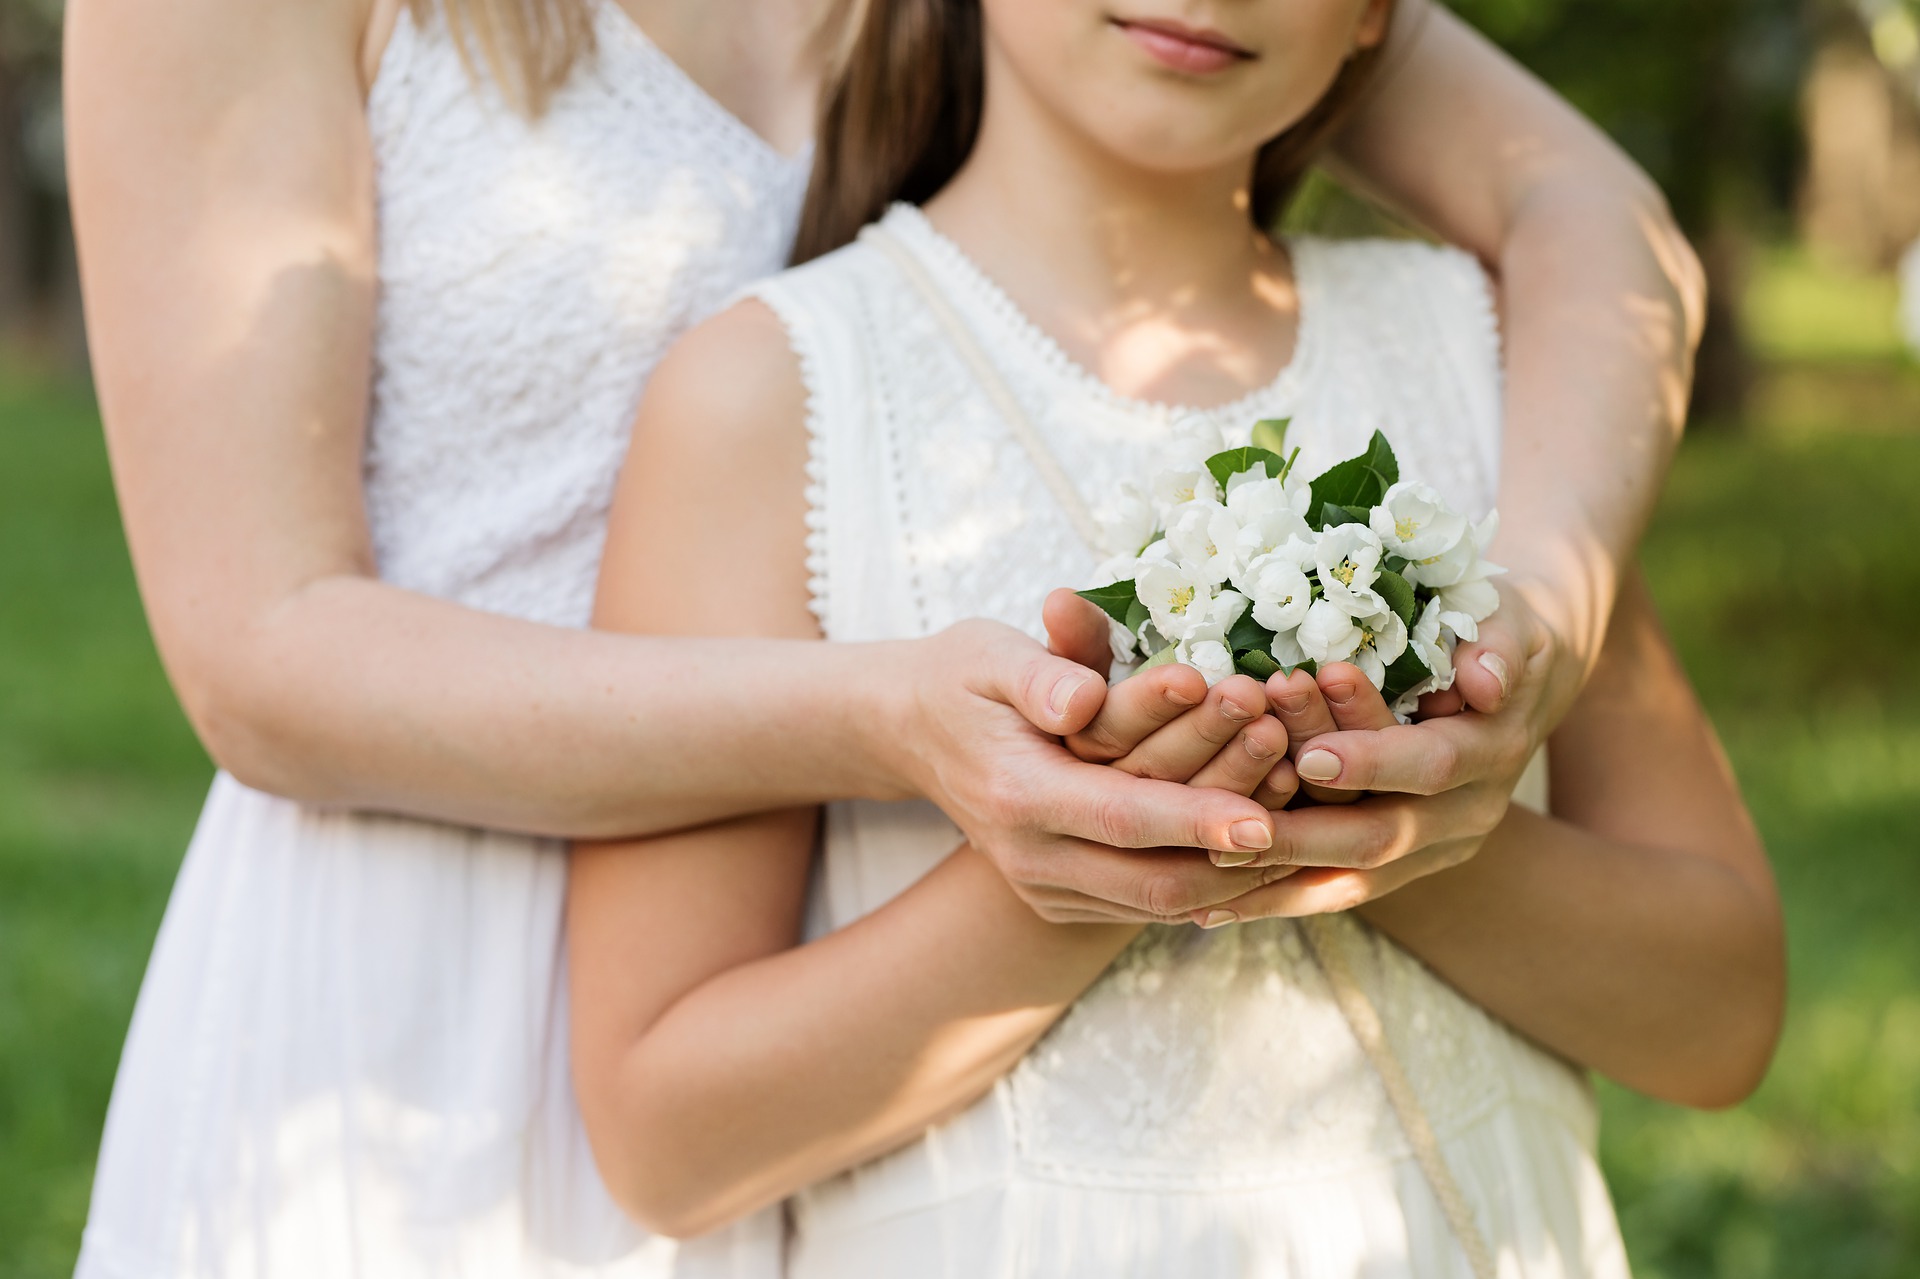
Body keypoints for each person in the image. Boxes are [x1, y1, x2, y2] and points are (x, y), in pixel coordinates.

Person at [65, 0, 1702, 1272]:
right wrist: (903, 725)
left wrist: (1533, 626)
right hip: (419, 985)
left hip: (849, 969)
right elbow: (259, 652)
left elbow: (1593, 215)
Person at [566, 0, 1784, 1272]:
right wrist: (1116, 843)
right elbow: (667, 1140)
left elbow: (1722, 1014)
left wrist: (1393, 805)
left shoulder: (1496, 361)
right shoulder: (773, 396)